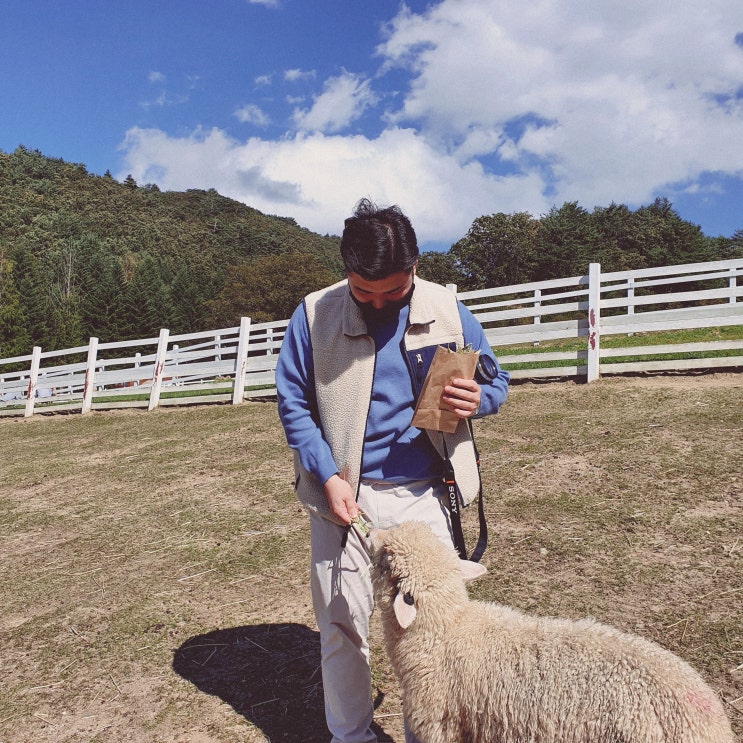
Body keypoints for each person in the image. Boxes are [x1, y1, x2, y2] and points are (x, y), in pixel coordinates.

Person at [275, 198, 509, 743]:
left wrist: (480, 398)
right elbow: (294, 405)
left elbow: (497, 380)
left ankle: (425, 733)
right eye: (364, 292)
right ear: (345, 271)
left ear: (416, 267)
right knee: (341, 625)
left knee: (433, 631)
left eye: (393, 292)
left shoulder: (450, 310)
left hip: (427, 495)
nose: (379, 303)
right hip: (343, 498)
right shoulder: (312, 316)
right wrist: (327, 474)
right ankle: (351, 736)